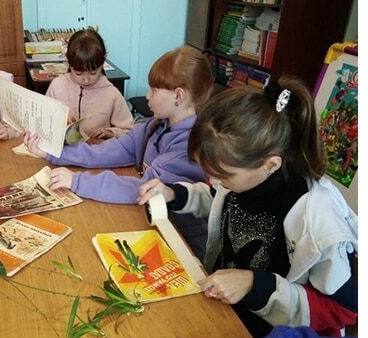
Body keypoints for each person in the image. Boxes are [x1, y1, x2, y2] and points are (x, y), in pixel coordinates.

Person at [137, 76, 358, 337]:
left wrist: (257, 285)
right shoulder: (244, 176)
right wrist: (175, 194)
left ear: (271, 164)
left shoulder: (318, 223)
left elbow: (344, 310)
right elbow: (217, 198)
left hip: (273, 329)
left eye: (224, 175)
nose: (214, 181)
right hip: (225, 308)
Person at [24, 45, 214, 257]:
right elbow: (109, 151)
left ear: (178, 96)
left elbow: (142, 190)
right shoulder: (156, 125)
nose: (148, 96)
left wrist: (77, 181)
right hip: (151, 225)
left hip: (180, 245)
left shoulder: (189, 147)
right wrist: (52, 152)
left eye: (154, 90)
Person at [46, 28, 133, 139]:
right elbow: (43, 121)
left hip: (97, 153)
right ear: (69, 62)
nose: (86, 80)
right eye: (78, 73)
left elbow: (130, 132)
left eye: (93, 72)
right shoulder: (57, 86)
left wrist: (110, 133)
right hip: (62, 153)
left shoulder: (112, 94)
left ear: (103, 62)